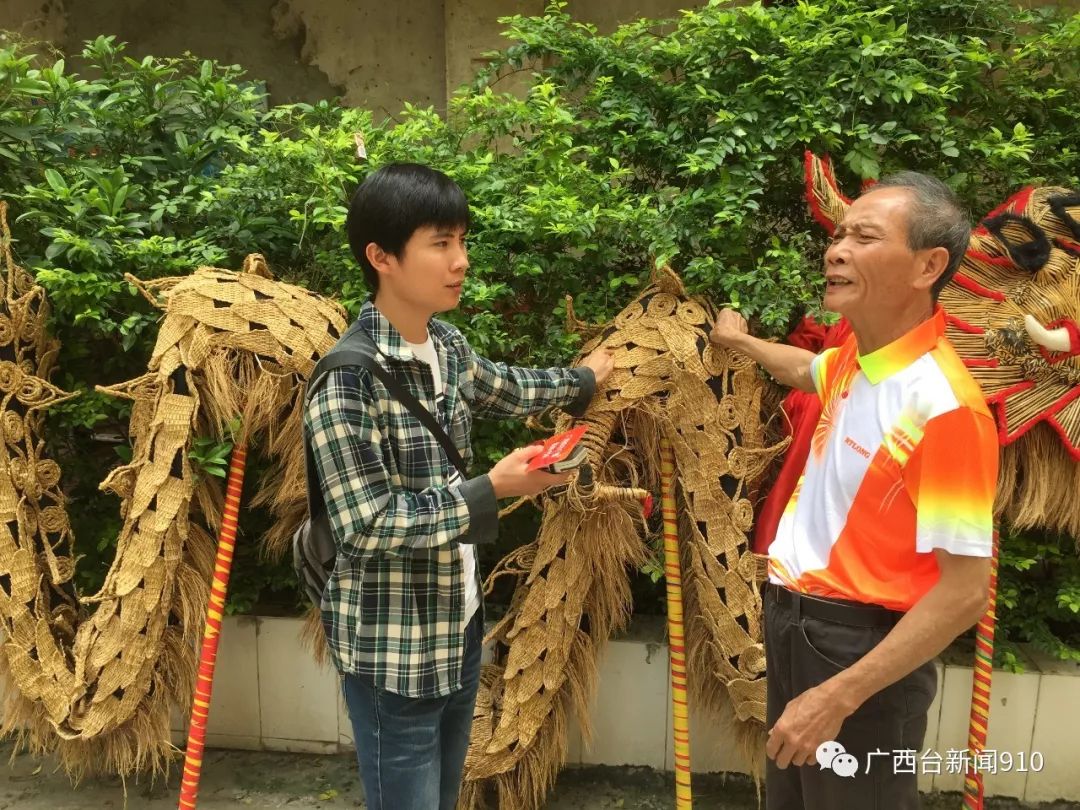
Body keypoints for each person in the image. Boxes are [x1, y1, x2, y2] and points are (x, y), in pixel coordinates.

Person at [304, 163, 614, 810]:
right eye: (441, 243)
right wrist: (492, 489)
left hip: (460, 625)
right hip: (393, 653)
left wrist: (584, 380)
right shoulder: (347, 383)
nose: (461, 261)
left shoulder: (444, 345)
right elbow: (367, 525)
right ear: (381, 256)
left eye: (462, 242)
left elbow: (506, 386)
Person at [710, 172, 997, 810]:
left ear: (929, 265)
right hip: (795, 627)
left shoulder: (945, 409)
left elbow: (964, 592)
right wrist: (738, 342)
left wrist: (838, 695)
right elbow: (801, 368)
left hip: (860, 652)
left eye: (864, 236)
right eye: (838, 234)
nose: (836, 249)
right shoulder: (857, 362)